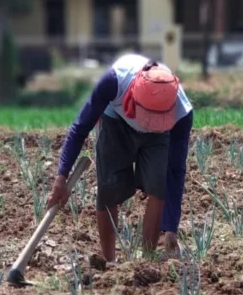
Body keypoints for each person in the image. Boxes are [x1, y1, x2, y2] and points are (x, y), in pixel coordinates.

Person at [47, 54, 193, 262]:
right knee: (108, 187)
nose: (148, 126)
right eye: (148, 119)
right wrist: (61, 178)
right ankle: (109, 261)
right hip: (115, 121)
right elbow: (80, 129)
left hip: (161, 133)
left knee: (159, 183)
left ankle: (148, 260)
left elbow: (175, 170)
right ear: (133, 98)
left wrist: (171, 229)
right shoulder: (113, 83)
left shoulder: (180, 112)